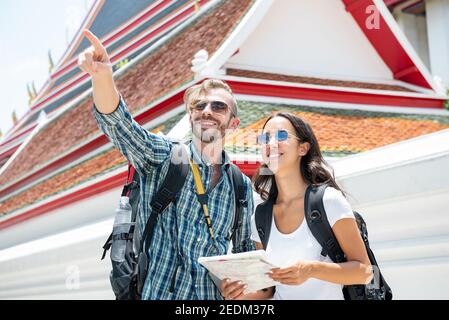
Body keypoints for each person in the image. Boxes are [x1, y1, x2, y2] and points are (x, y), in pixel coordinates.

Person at [77, 29, 255, 300]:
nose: (207, 110)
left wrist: (239, 286)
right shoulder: (166, 157)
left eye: (218, 106)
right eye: (199, 105)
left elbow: (244, 256)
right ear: (191, 114)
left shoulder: (240, 186)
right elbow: (121, 126)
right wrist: (102, 77)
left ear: (233, 123)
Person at [221, 112, 373, 300]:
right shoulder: (260, 216)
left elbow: (365, 271)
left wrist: (311, 269)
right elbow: (268, 289)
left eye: (282, 136)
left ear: (303, 148)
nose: (271, 143)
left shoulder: (328, 201)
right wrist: (238, 294)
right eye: (265, 138)